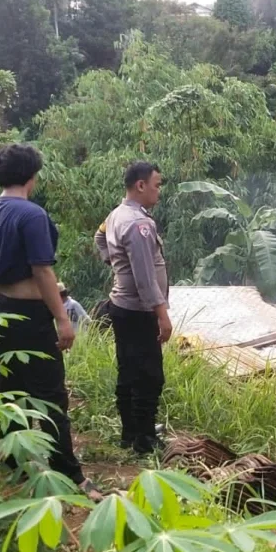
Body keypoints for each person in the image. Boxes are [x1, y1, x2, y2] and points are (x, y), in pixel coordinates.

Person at [0, 143, 101, 498]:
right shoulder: (32, 215)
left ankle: (13, 464)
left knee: (10, 388)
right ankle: (70, 475)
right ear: (32, 177)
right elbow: (42, 271)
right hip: (31, 315)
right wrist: (62, 318)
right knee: (49, 394)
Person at [95, 161, 171, 454]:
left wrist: (115, 264)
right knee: (149, 375)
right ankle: (144, 439)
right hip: (139, 311)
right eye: (156, 185)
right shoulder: (139, 223)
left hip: (121, 305)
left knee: (128, 370)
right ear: (140, 185)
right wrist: (162, 314)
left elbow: (99, 237)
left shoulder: (117, 214)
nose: (158, 191)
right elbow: (144, 277)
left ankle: (130, 432)